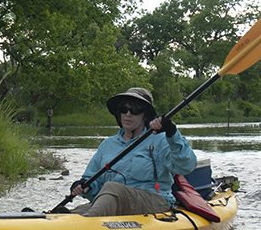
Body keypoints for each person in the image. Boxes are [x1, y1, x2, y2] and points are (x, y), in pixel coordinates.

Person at [70, 87, 196, 217]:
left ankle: (87, 224)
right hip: (114, 200)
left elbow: (186, 167)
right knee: (71, 214)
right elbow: (93, 181)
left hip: (154, 201)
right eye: (124, 109)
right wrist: (85, 186)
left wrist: (172, 133)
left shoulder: (162, 140)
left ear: (145, 115)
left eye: (135, 110)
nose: (128, 114)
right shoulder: (107, 145)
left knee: (111, 188)